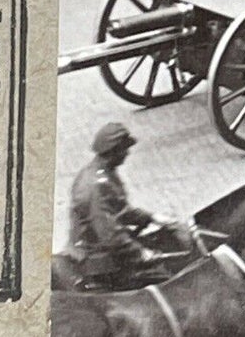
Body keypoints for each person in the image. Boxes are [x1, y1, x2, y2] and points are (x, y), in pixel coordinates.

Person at [66, 122, 174, 292]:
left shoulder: (101, 172)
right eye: (124, 149)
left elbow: (120, 210)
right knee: (167, 279)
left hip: (104, 244)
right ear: (113, 152)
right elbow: (109, 234)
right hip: (98, 258)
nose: (128, 153)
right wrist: (140, 252)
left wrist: (150, 217)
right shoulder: (96, 185)